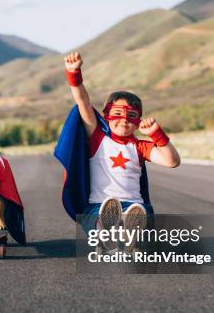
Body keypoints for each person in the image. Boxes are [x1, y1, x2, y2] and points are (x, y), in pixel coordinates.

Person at [57, 51, 181, 253]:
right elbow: (83, 102)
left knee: (139, 214)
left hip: (135, 207)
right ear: (106, 116)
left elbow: (172, 161)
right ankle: (109, 234)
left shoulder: (141, 147)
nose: (124, 119)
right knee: (100, 218)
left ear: (138, 121)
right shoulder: (97, 136)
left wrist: (157, 135)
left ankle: (125, 236)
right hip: (98, 206)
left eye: (131, 115)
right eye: (117, 113)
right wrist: (74, 73)